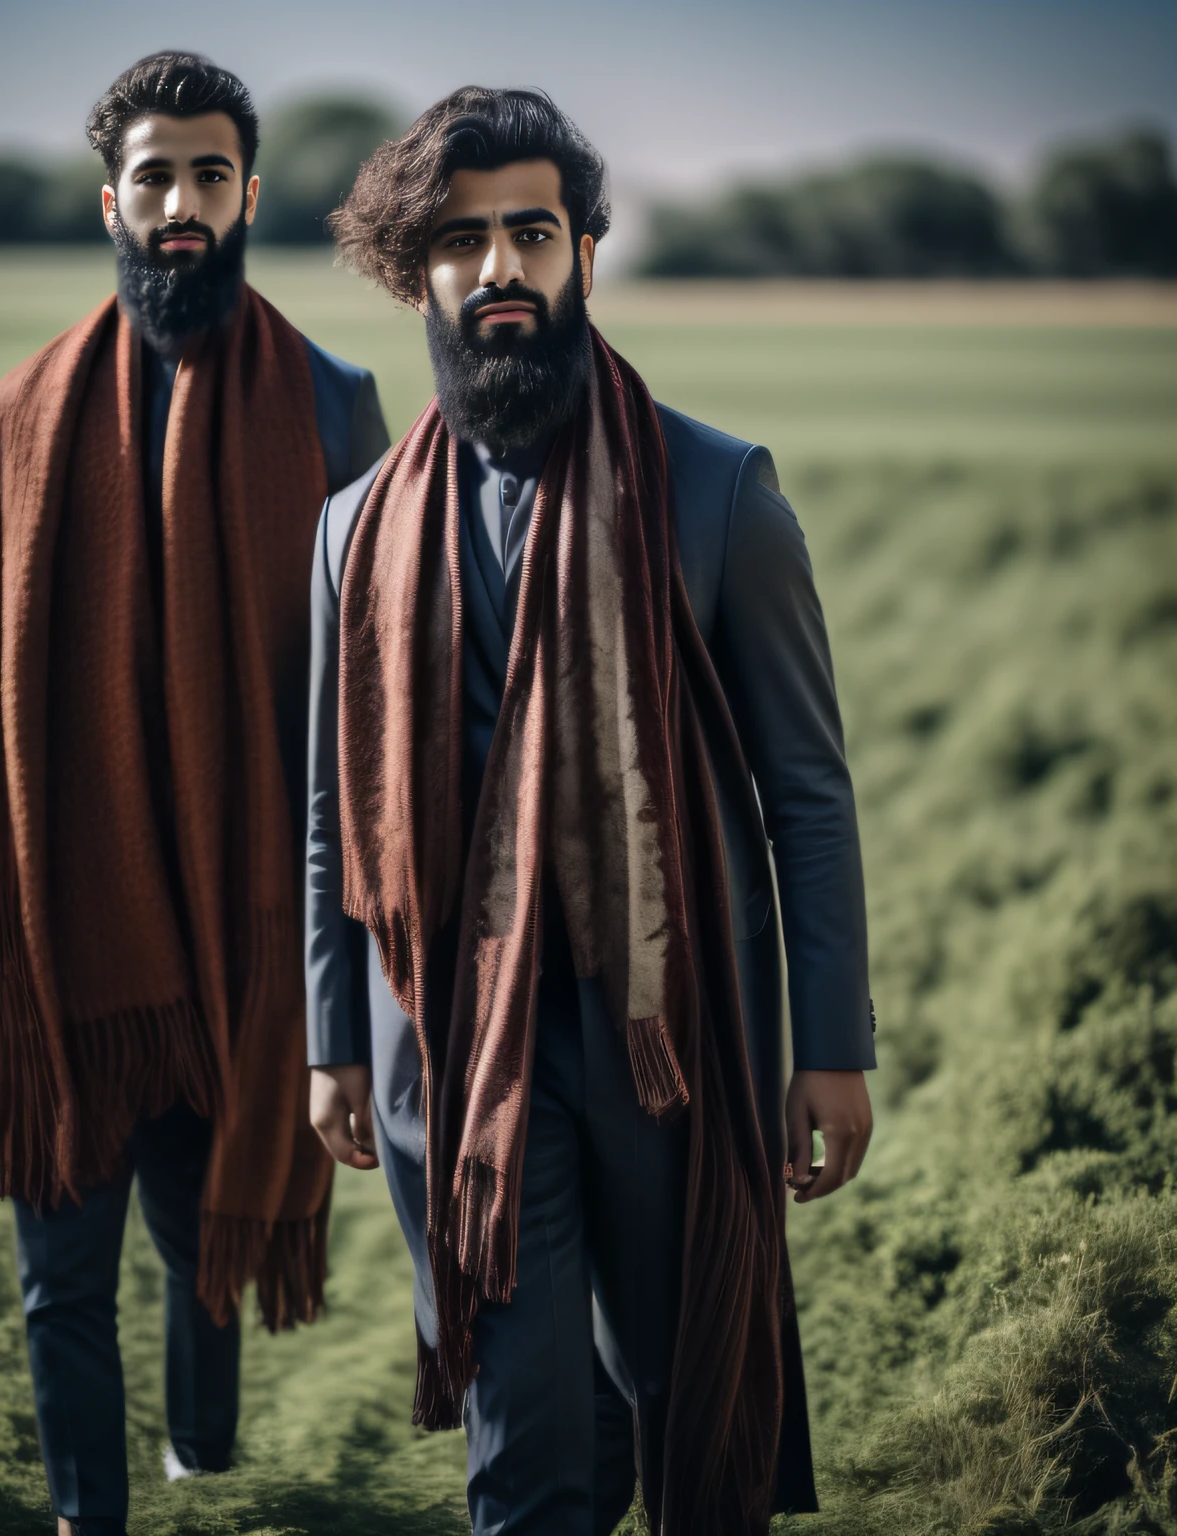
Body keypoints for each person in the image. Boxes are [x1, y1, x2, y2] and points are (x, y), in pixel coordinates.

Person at [306, 87, 875, 1535]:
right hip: (452, 1047)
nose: (500, 269)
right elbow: (330, 809)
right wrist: (331, 1042)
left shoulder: (716, 492)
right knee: (528, 1449)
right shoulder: (354, 527)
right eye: (460, 241)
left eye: (532, 234)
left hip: (670, 1036)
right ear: (409, 272)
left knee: (689, 1413)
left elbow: (804, 791)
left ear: (584, 256)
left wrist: (834, 1047)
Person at [0, 52, 389, 1536]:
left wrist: (363, 940)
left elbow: (373, 690)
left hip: (248, 921)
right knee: (59, 1276)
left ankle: (200, 1449)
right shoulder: (21, 416)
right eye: (157, 177)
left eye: (213, 176)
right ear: (108, 198)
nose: (184, 204)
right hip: (72, 922)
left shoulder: (333, 399)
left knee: (200, 1240)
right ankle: (81, 1516)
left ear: (249, 196)